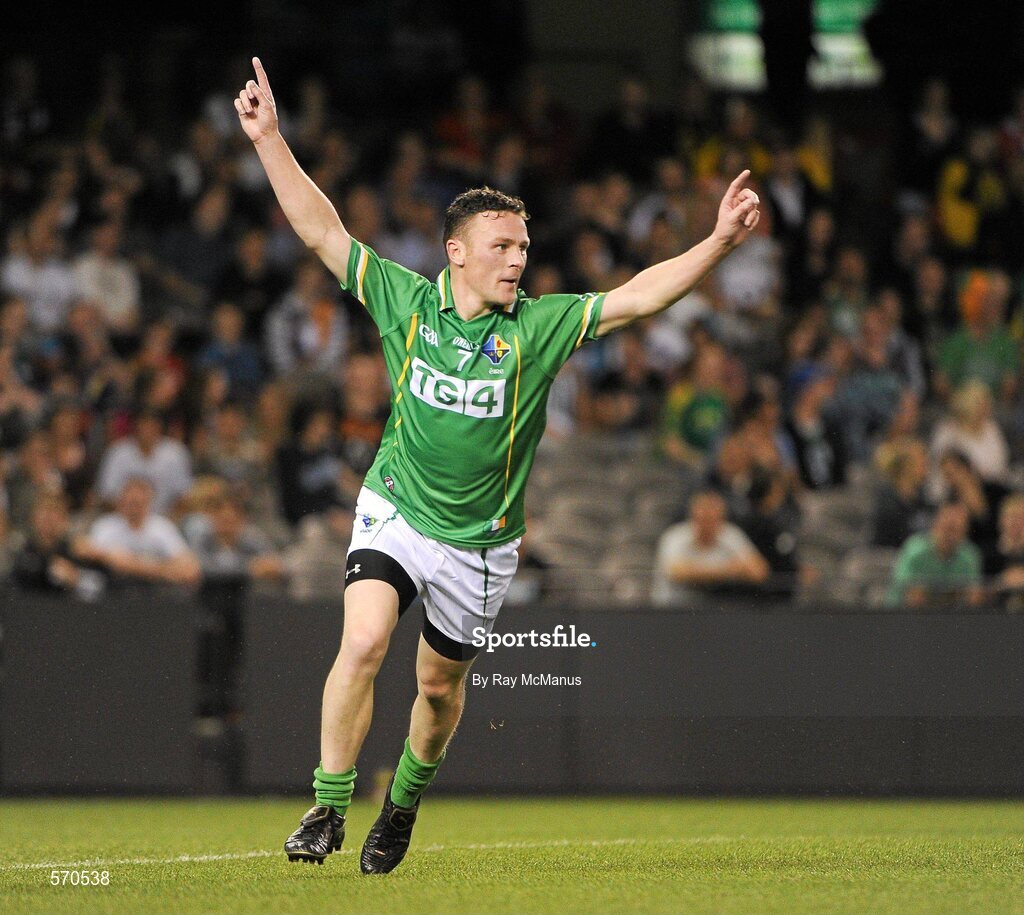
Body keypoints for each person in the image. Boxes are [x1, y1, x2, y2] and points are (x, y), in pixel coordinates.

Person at [235, 57, 760, 871]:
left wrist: (719, 241)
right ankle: (327, 807)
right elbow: (320, 230)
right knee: (365, 640)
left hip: (481, 543)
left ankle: (402, 804)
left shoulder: (540, 328)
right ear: (456, 252)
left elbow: (639, 296)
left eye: (523, 244)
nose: (518, 257)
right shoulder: (407, 302)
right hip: (398, 508)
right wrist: (270, 140)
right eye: (502, 244)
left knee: (438, 690)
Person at [652, 489, 770, 607]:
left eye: (712, 519)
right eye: (703, 519)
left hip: (718, 611)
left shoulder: (731, 535)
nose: (707, 525)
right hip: (673, 611)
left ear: (721, 519)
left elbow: (759, 572)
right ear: (693, 517)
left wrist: (699, 571)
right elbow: (676, 571)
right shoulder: (675, 536)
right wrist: (728, 570)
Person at [886, 502, 984, 608]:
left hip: (952, 616)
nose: (950, 536)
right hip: (903, 614)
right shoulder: (915, 550)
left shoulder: (970, 555)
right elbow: (910, 594)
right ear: (935, 524)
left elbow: (973, 595)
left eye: (957, 530)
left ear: (965, 531)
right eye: (948, 528)